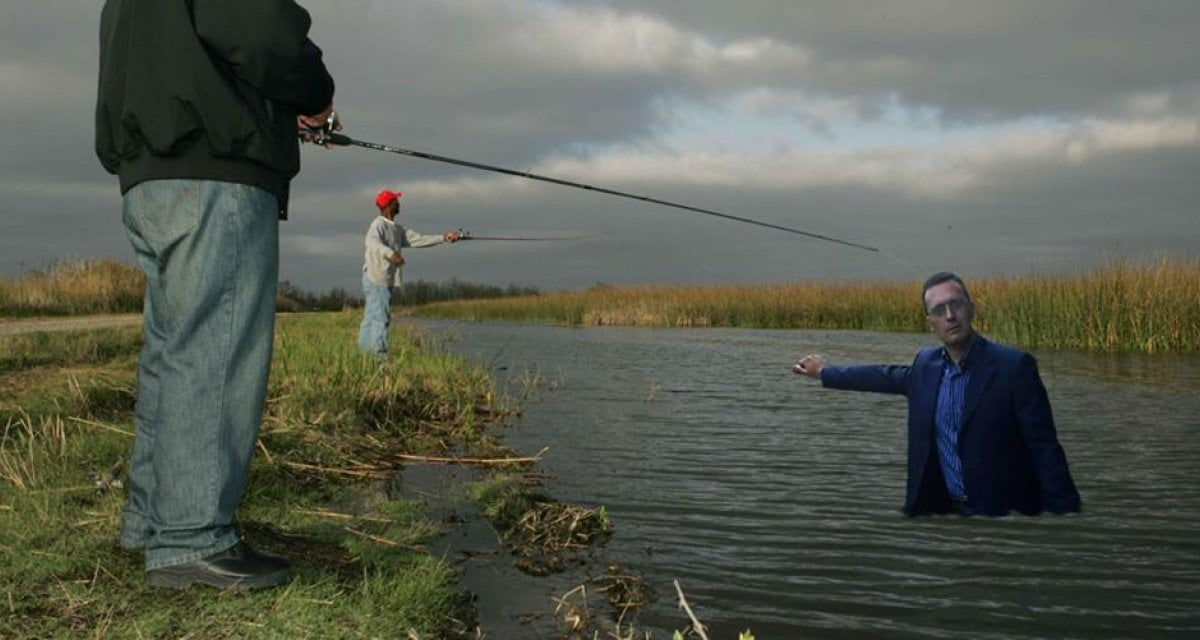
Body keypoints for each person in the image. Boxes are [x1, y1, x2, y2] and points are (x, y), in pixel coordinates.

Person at [95, 0, 336, 588]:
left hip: (150, 174)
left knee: (172, 355)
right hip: (216, 172)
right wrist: (315, 97)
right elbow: (266, 37)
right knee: (215, 353)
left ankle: (152, 523)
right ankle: (192, 539)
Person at [793, 272, 1081, 517]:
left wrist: (1066, 516)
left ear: (972, 308)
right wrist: (823, 372)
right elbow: (883, 376)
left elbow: (1044, 447)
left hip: (1002, 517)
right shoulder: (925, 366)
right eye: (939, 310)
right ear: (930, 321)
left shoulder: (1014, 366)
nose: (950, 316)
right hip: (942, 513)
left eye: (956, 304)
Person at [357, 189, 461, 356]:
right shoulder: (378, 225)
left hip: (381, 279)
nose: (399, 204)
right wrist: (392, 254)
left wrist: (444, 238)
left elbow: (418, 239)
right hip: (377, 279)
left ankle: (364, 355)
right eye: (396, 201)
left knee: (371, 317)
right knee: (380, 319)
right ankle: (379, 360)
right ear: (389, 205)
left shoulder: (397, 228)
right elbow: (372, 243)